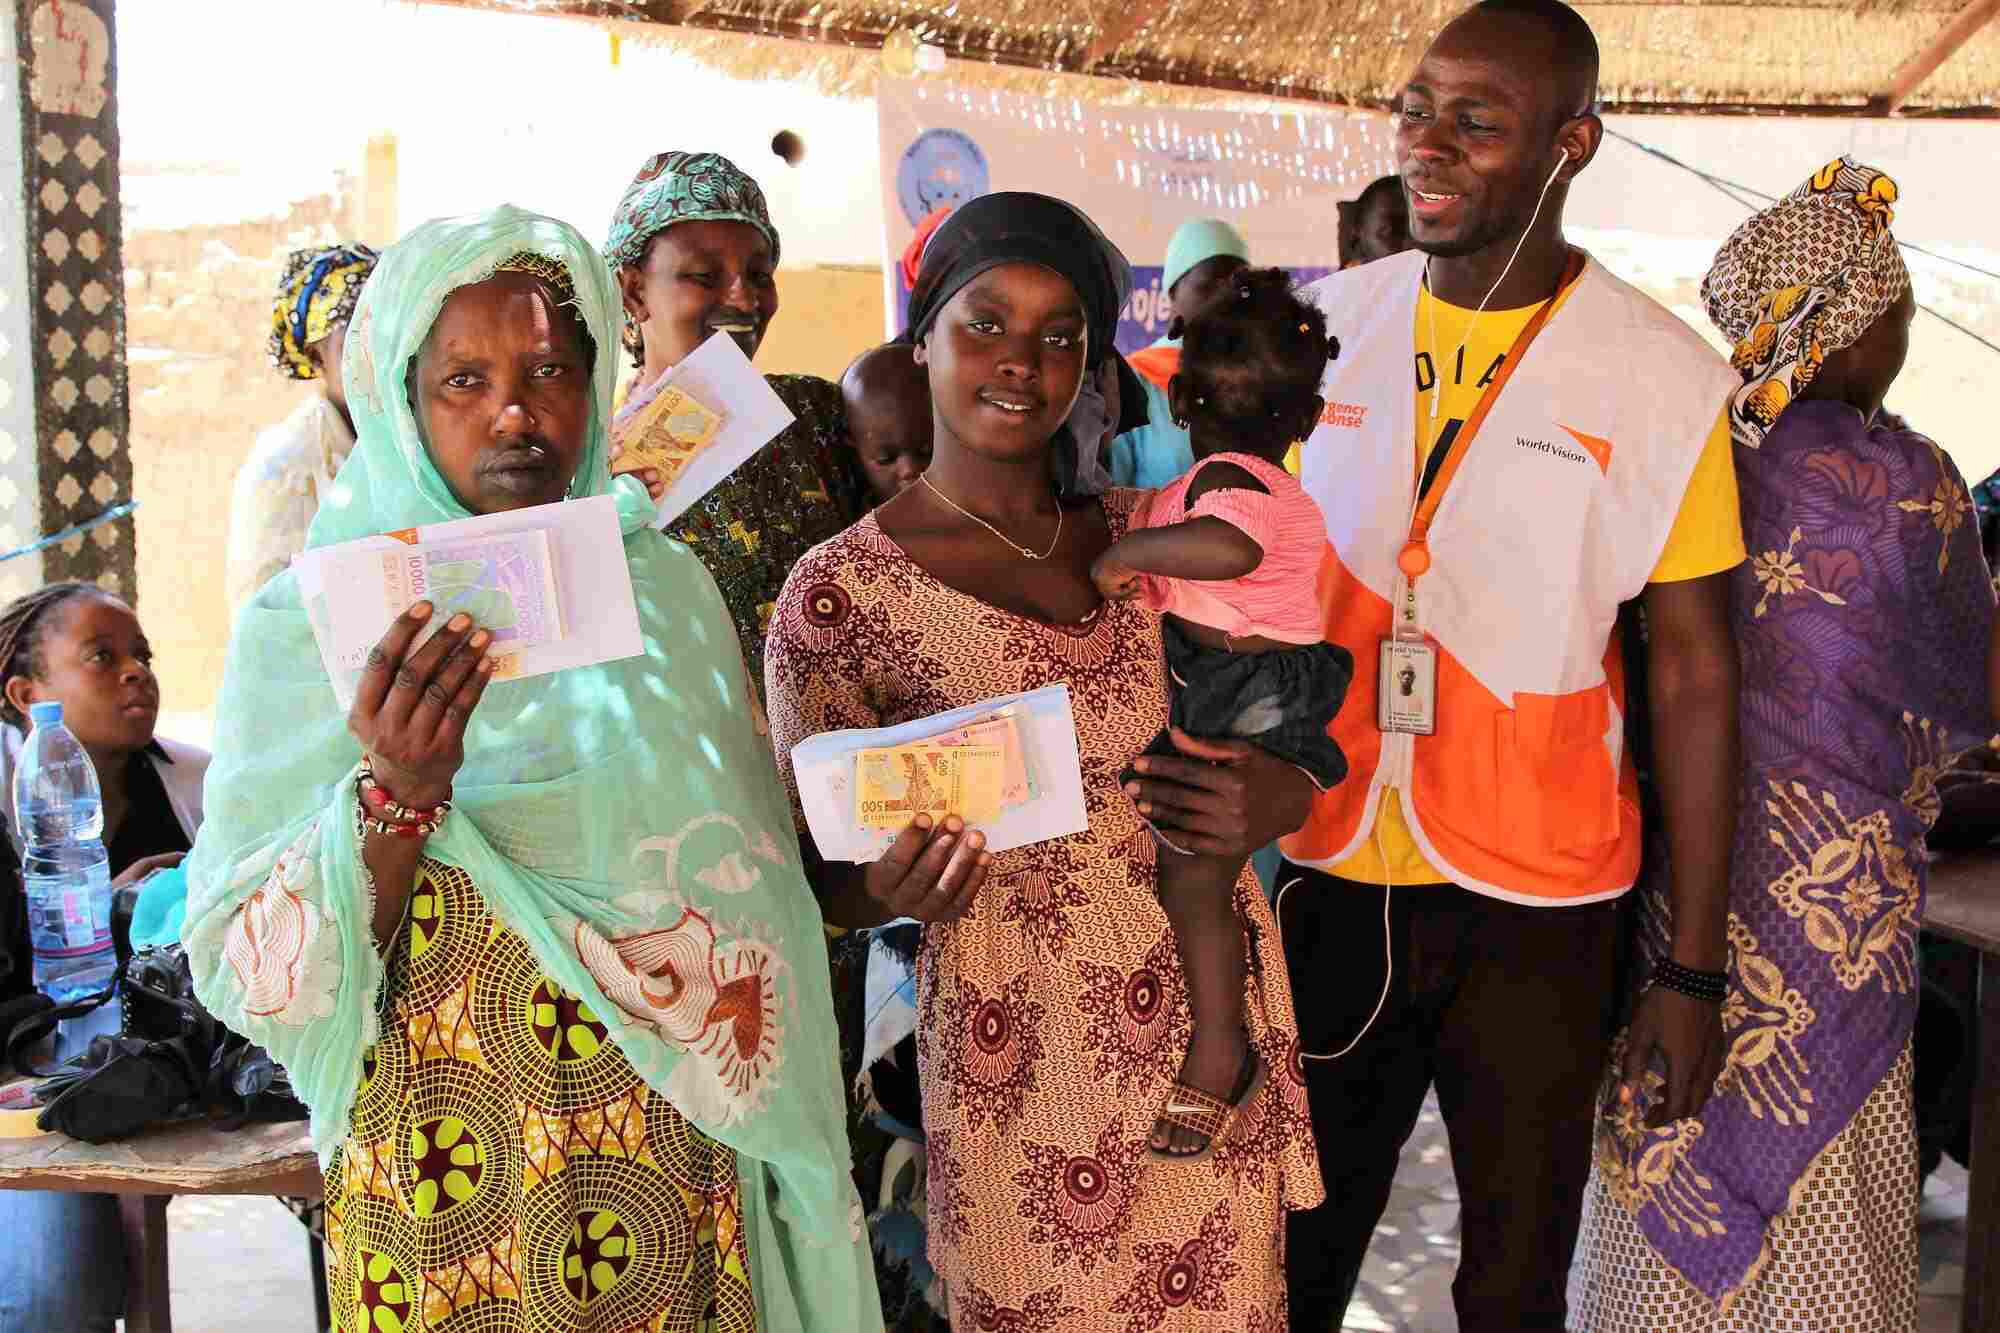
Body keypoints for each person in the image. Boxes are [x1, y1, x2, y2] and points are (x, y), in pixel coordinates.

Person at [181, 206, 880, 1333]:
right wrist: (395, 796)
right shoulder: (305, 633)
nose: (515, 410)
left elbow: (750, 888)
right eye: (463, 379)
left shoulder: (665, 599)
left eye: (551, 368)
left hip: (668, 1151)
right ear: (400, 403)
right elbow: (238, 956)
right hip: (446, 1169)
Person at [765, 191, 1322, 1331]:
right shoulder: (835, 596)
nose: (1019, 361)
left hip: (1202, 1043)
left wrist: (1292, 788)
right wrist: (880, 888)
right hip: (1017, 1063)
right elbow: (816, 871)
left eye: (1059, 334)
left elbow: (1295, 688)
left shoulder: (1149, 525)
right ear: (919, 335)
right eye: (983, 323)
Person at [1278, 2, 1747, 1327]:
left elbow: (1697, 677)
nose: (1430, 142)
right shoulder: (1326, 330)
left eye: (1478, 120)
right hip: (1329, 861)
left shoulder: (1659, 378)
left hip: (1544, 902)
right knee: (1291, 1262)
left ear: (1570, 145)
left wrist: (1692, 973)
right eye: (1418, 107)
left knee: (1514, 1280)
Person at [1571, 158, 1996, 1331]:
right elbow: (1971, 678)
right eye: (1897, 305)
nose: (1909, 327)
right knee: (1833, 1152)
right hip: (1838, 905)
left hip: (1681, 879)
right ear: (1844, 319)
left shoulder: (1685, 446)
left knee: (1666, 1104)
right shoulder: (1903, 480)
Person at [1090, 268, 1352, 1158]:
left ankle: (1219, 1049)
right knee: (1192, 867)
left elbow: (1226, 549)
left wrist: (1127, 549)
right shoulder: (1266, 479)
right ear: (1310, 420)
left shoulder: (1230, 480)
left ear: (1180, 396)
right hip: (1246, 681)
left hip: (1244, 688)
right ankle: (1215, 1035)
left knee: (1192, 880)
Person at [0, 582, 208, 1333]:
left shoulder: (196, 783)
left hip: (153, 1056)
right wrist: (97, 911)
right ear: (28, 693)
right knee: (55, 1292)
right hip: (24, 1069)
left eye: (142, 656)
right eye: (102, 655)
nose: (137, 673)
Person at [604, 151, 866, 688]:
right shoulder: (596, 464)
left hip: (835, 749)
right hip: (696, 758)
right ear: (634, 290)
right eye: (704, 276)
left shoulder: (818, 415)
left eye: (759, 275)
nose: (743, 297)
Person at [227, 243, 379, 618]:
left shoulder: (407, 439)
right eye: (355, 344)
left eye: (388, 340)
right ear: (316, 357)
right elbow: (265, 612)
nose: (376, 358)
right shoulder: (289, 468)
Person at [1110, 217, 1250, 488]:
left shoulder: (1266, 374)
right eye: (1209, 285)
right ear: (1173, 295)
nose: (1226, 298)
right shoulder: (1133, 380)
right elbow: (1109, 499)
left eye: (1239, 286)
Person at [840, 343, 933, 505]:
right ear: (855, 453)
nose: (909, 470)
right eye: (885, 459)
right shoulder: (856, 524)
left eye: (928, 451)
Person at [1339, 174, 1412, 268]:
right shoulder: (1346, 281)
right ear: (1358, 232)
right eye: (1391, 233)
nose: (1410, 244)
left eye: (1420, 233)